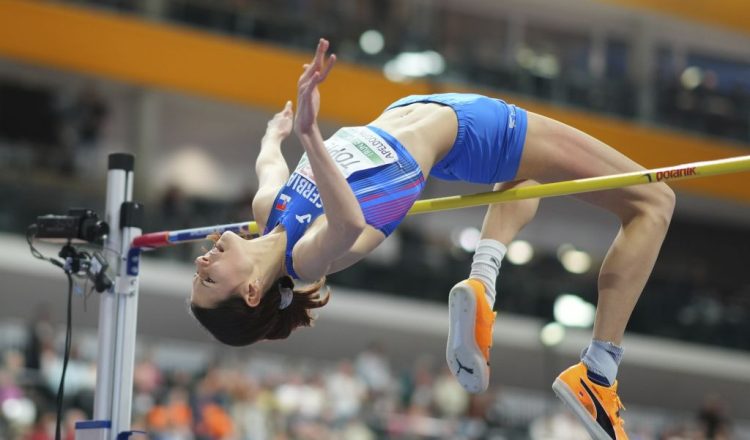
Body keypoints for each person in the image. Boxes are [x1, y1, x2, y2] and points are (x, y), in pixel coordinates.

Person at [190, 39, 675, 440]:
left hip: (423, 118)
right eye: (209, 280)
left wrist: (273, 138)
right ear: (251, 293)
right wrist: (311, 135)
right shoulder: (306, 260)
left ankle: (483, 282)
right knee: (655, 201)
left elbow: (269, 169)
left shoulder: (269, 213)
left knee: (530, 178)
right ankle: (598, 373)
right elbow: (348, 224)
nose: (201, 264)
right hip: (467, 132)